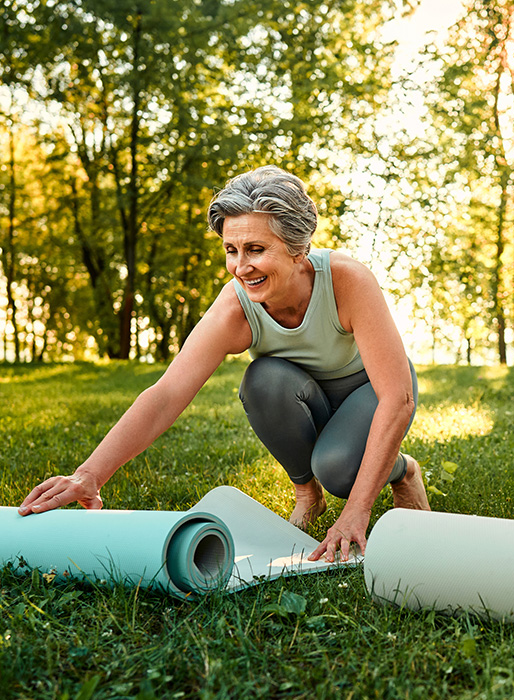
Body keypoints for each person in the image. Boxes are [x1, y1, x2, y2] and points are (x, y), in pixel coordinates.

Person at [18, 165, 429, 562]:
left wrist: (356, 510)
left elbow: (397, 397)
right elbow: (166, 394)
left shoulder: (346, 280)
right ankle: (307, 492)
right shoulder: (235, 307)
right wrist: (90, 474)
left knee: (339, 471)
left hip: (369, 391)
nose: (240, 267)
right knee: (262, 380)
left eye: (256, 250)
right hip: (303, 394)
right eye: (231, 250)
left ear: (298, 248)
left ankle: (403, 471)